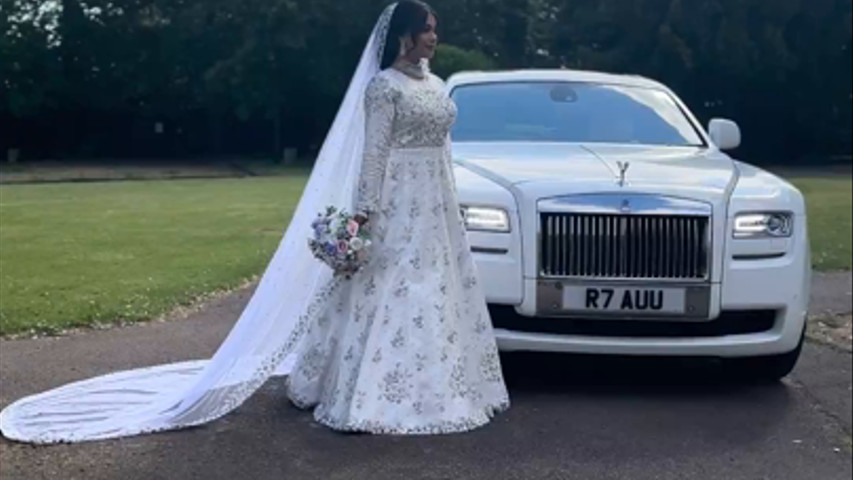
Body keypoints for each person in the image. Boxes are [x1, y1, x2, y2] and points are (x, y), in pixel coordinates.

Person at [0, 1, 509, 444]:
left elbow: (443, 150)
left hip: (435, 206)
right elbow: (373, 155)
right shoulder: (383, 87)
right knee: (388, 290)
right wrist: (362, 215)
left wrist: (450, 202)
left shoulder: (439, 85)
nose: (435, 37)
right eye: (428, 29)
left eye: (435, 30)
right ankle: (366, 392)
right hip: (396, 204)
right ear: (406, 34)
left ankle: (440, 388)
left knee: (435, 293)